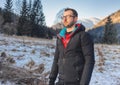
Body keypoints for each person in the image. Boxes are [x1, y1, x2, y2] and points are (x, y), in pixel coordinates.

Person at [49, 8, 95, 85]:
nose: (65, 19)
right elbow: (56, 59)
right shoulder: (60, 37)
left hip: (76, 82)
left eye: (68, 16)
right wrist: (51, 80)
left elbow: (89, 61)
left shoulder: (83, 36)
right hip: (60, 82)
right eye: (63, 17)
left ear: (75, 18)